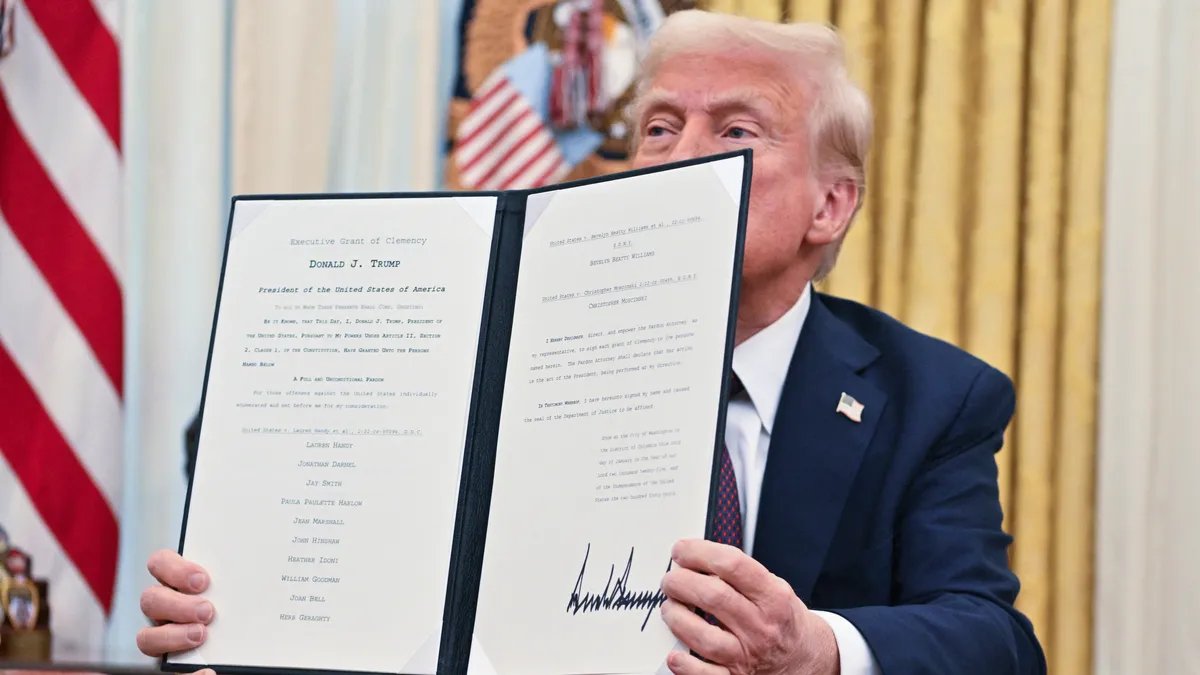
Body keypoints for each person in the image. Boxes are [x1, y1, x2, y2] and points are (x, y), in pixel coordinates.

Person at [136, 10, 1044, 675]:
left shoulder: (933, 396)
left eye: (735, 129)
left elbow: (994, 640)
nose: (683, 154)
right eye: (658, 127)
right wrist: (239, 624)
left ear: (829, 204)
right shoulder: (476, 357)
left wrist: (821, 649)